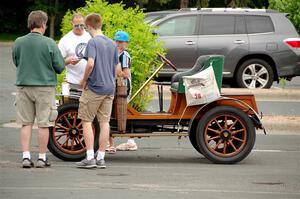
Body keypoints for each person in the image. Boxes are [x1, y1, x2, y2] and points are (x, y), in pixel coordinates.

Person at [12, 10, 64, 168]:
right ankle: (42, 158)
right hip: (45, 88)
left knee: (26, 123)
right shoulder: (49, 43)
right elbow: (60, 67)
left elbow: (16, 61)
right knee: (44, 123)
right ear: (43, 24)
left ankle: (26, 157)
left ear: (30, 24)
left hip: (24, 87)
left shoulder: (19, 41)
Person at [75, 13, 119, 169]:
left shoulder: (93, 42)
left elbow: (90, 64)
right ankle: (101, 157)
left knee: (86, 121)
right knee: (104, 122)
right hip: (109, 88)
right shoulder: (113, 44)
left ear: (89, 26)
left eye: (86, 27)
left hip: (95, 87)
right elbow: (116, 68)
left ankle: (89, 157)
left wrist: (84, 80)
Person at [107, 31, 137, 153]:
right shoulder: (113, 53)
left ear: (126, 43)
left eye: (121, 42)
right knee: (110, 114)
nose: (118, 44)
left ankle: (129, 142)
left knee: (120, 114)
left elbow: (125, 73)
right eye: (117, 41)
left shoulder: (124, 55)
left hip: (123, 88)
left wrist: (111, 74)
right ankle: (111, 142)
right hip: (114, 86)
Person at [58, 13, 91, 89]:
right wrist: (68, 60)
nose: (79, 28)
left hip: (90, 81)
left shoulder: (90, 36)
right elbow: (58, 63)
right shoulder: (65, 40)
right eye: (76, 26)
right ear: (71, 24)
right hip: (72, 82)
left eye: (82, 25)